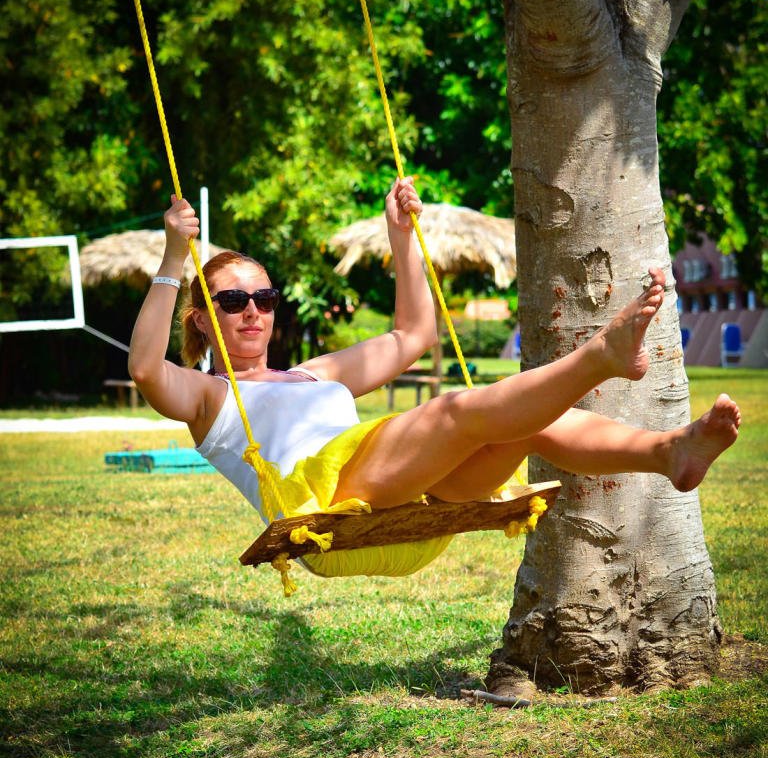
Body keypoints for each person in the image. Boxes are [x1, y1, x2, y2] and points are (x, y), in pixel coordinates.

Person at [128, 178, 741, 579]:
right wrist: (173, 260)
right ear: (203, 320)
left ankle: (670, 453)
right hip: (332, 510)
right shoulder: (208, 396)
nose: (254, 312)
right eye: (234, 302)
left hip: (410, 506)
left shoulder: (314, 376)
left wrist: (402, 239)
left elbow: (411, 336)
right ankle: (601, 357)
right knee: (455, 410)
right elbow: (145, 368)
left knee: (524, 427)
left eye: (264, 297)